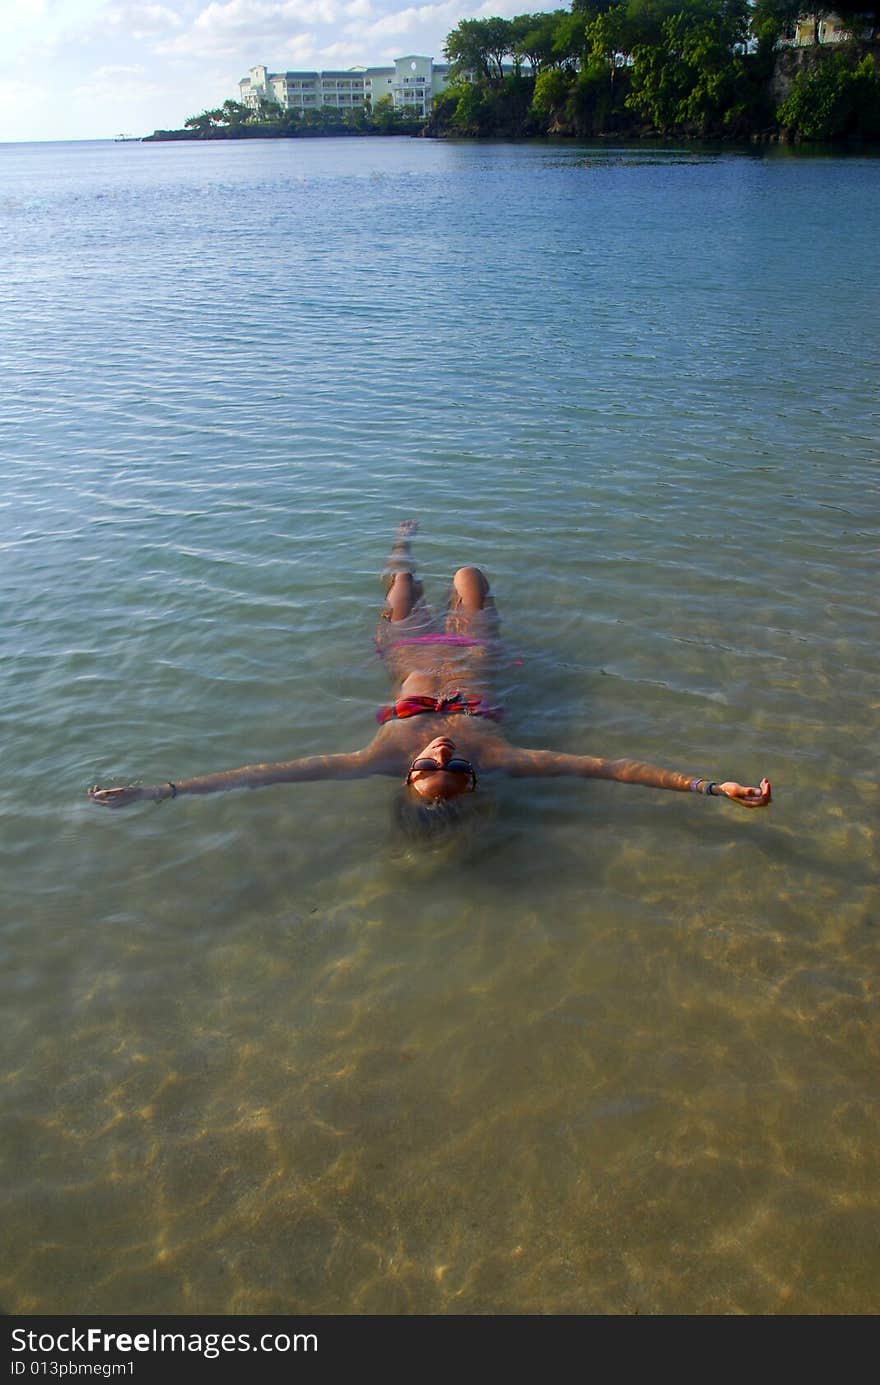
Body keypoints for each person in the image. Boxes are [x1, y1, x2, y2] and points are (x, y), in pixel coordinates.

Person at [88, 521, 771, 825]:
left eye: (428, 765)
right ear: (473, 775)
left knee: (404, 584)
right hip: (474, 650)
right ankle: (429, 566)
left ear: (409, 776)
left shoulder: (379, 754)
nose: (439, 750)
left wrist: (162, 789)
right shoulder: (503, 755)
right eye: (453, 764)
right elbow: (608, 766)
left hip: (410, 655)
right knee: (470, 575)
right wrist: (710, 786)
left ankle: (399, 544)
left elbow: (266, 773)